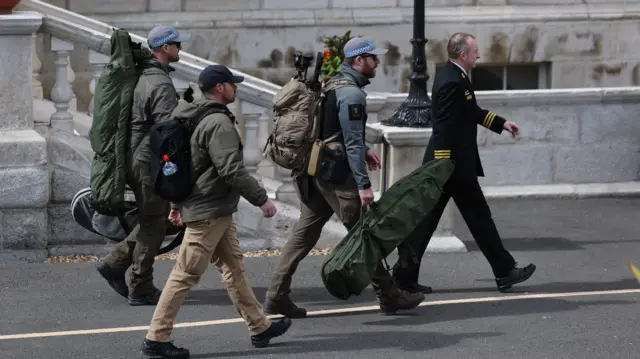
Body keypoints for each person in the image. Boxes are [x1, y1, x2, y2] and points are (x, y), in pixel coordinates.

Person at [263, 37, 425, 318]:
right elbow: (349, 141)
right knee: (366, 237)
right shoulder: (352, 94)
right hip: (337, 178)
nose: (377, 62)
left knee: (302, 236)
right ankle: (390, 296)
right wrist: (363, 185)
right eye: (373, 58)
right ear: (359, 60)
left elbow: (330, 129)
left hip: (315, 173)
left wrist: (365, 150)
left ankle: (276, 295)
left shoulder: (332, 84)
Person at [140, 65, 292, 359]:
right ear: (221, 88)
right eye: (232, 84)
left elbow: (181, 164)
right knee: (184, 274)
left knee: (233, 268)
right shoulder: (218, 123)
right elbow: (231, 170)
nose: (236, 88)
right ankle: (156, 338)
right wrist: (262, 200)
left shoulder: (190, 113)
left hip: (214, 209)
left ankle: (259, 327)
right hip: (208, 211)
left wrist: (176, 205)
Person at [392, 32, 536, 294]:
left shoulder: (456, 77)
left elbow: (472, 111)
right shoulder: (451, 82)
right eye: (475, 51)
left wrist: (502, 123)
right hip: (451, 168)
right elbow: (443, 128)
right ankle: (504, 272)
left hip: (452, 168)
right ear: (463, 55)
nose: (478, 55)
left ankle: (403, 277)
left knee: (430, 222)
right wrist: (443, 167)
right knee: (477, 219)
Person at [96, 25, 190, 306]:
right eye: (176, 45)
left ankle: (116, 264)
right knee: (154, 224)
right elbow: (167, 134)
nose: (180, 49)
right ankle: (140, 287)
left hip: (138, 156)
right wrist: (175, 174)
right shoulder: (159, 83)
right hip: (148, 161)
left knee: (155, 221)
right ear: (164, 48)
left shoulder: (147, 75)